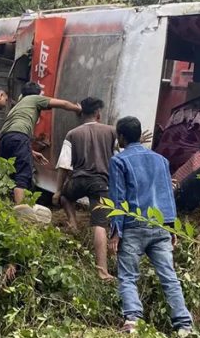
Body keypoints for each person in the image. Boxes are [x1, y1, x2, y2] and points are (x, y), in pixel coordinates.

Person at [108, 116, 192, 335]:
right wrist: (171, 226)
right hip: (160, 225)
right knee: (169, 276)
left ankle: (133, 320)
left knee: (128, 276)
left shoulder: (119, 161)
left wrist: (116, 231)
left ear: (122, 137)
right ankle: (184, 325)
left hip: (133, 225)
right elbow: (167, 194)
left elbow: (118, 197)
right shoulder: (161, 160)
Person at [54, 97, 117, 280]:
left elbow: (64, 165)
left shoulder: (72, 133)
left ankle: (72, 223)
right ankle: (102, 270)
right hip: (100, 183)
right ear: (98, 113)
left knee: (66, 197)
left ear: (82, 113)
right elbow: (120, 156)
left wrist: (58, 191)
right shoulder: (111, 131)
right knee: (99, 225)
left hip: (79, 181)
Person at [0, 82, 81, 204]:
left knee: (8, 173)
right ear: (37, 94)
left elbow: (13, 135)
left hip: (4, 138)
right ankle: (20, 212)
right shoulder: (34, 98)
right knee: (23, 173)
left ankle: (5, 206)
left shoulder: (19, 105)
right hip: (19, 136)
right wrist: (77, 108)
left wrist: (30, 151)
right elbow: (62, 104)